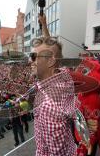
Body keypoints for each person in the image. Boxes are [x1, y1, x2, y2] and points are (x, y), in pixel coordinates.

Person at [30, 14, 77, 155]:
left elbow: (56, 153)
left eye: (33, 57)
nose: (30, 61)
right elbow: (53, 53)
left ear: (50, 62)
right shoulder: (64, 75)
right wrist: (44, 25)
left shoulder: (47, 107)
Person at [76, 56, 100, 156]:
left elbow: (92, 125)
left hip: (86, 141)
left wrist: (85, 145)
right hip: (80, 133)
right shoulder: (83, 92)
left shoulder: (92, 97)